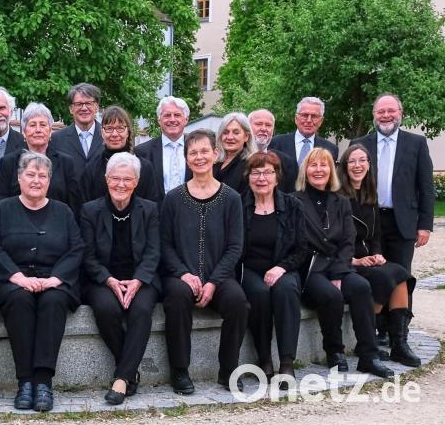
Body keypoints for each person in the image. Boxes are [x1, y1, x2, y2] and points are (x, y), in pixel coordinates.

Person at [0, 152, 84, 412]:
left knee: (54, 300)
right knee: (19, 299)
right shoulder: (2, 208)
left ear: (49, 181)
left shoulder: (63, 211)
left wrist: (55, 278)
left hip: (54, 279)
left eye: (42, 176)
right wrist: (17, 277)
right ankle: (25, 382)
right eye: (30, 174)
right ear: (19, 178)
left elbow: (76, 249)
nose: (36, 180)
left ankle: (43, 382)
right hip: (12, 280)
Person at [160, 129, 248, 395]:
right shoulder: (173, 198)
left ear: (215, 154)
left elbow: (235, 247)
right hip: (181, 276)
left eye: (204, 151)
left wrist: (212, 282)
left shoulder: (231, 197)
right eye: (193, 153)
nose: (199, 157)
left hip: (219, 276)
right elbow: (164, 244)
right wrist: (184, 274)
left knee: (238, 302)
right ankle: (180, 370)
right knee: (176, 299)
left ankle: (228, 368)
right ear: (187, 159)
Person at [295, 148, 393, 378]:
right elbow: (297, 241)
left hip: (337, 265)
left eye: (324, 165)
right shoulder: (295, 201)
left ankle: (369, 356)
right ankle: (335, 351)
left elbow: (348, 241)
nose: (319, 170)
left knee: (360, 287)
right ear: (305, 170)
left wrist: (339, 272)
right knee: (331, 295)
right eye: (313, 165)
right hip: (310, 269)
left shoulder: (340, 202)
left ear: (331, 170)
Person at [79, 152, 160, 404]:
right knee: (105, 308)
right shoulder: (90, 210)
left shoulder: (149, 209)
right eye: (115, 178)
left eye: (127, 179)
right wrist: (109, 280)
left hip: (141, 278)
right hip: (102, 278)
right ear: (106, 179)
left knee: (142, 310)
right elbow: (88, 255)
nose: (121, 184)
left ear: (136, 182)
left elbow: (153, 252)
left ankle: (121, 378)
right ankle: (129, 371)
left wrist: (137, 281)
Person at [338, 144, 421, 367]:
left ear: (368, 164)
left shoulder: (369, 194)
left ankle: (399, 344)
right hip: (347, 262)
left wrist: (377, 254)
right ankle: (368, 337)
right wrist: (354, 260)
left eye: (362, 160)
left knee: (400, 274)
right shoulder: (338, 196)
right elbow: (333, 239)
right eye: (352, 161)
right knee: (383, 278)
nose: (357, 165)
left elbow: (376, 235)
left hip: (368, 259)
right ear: (345, 166)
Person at [239, 151, 306, 382]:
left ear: (277, 177)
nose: (261, 178)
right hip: (248, 269)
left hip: (283, 267)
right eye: (255, 173)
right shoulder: (239, 205)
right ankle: (264, 358)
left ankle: (287, 362)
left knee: (286, 290)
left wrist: (281, 268)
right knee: (258, 293)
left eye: (267, 172)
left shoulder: (292, 205)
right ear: (248, 177)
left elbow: (301, 248)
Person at [350, 94, 434, 277]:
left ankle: (402, 307)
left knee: (401, 278)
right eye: (381, 111)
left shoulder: (417, 144)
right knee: (371, 275)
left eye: (391, 111)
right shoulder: (359, 144)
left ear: (400, 113)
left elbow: (426, 186)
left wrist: (425, 225)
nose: (386, 115)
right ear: (374, 114)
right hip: (368, 221)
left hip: (402, 223)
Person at [0, 103, 83, 214]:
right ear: (24, 131)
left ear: (50, 131)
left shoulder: (66, 162)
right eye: (32, 125)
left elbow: (74, 205)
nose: (38, 130)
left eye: (43, 125)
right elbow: (1, 204)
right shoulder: (8, 162)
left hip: (57, 225)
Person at [80, 106, 155, 203]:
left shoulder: (144, 168)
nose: (114, 134)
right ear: (102, 132)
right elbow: (86, 207)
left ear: (128, 132)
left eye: (120, 128)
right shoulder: (91, 169)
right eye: (109, 128)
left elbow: (151, 207)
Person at [134, 96, 192, 202]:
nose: (172, 119)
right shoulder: (141, 152)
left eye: (177, 115)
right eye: (167, 115)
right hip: (155, 215)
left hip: (191, 214)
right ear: (159, 120)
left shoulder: (196, 150)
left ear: (186, 119)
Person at [267, 97, 339, 164]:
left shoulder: (330, 149)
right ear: (296, 118)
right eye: (304, 115)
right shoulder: (276, 143)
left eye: (314, 116)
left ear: (321, 121)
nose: (309, 120)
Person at [51, 83, 104, 169]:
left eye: (88, 103)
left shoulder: (108, 136)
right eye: (79, 104)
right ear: (71, 109)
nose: (84, 108)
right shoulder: (57, 139)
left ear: (97, 107)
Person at [247, 109, 298, 193]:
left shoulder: (287, 163)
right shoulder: (236, 158)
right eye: (258, 124)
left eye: (268, 125)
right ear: (248, 128)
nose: (263, 129)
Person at [213, 112, 256, 195]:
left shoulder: (252, 164)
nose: (230, 137)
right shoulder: (214, 161)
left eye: (236, 133)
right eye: (225, 132)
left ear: (246, 136)